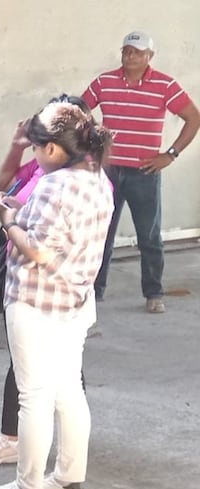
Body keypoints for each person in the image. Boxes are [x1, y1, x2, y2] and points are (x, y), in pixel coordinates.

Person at [0, 99, 114, 489]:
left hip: (35, 302)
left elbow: (38, 251)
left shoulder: (53, 185)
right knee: (69, 391)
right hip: (77, 301)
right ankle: (68, 483)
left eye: (38, 148)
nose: (36, 156)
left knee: (34, 396)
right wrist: (22, 213)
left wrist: (8, 221)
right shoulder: (98, 179)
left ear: (53, 149)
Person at [82, 31, 200, 313]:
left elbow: (193, 118)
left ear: (150, 56)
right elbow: (79, 110)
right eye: (126, 50)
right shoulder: (104, 82)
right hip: (107, 172)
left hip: (144, 173)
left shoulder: (165, 85)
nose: (130, 56)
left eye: (137, 52)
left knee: (149, 237)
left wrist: (170, 155)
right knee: (100, 234)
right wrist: (92, 139)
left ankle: (153, 293)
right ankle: (93, 293)